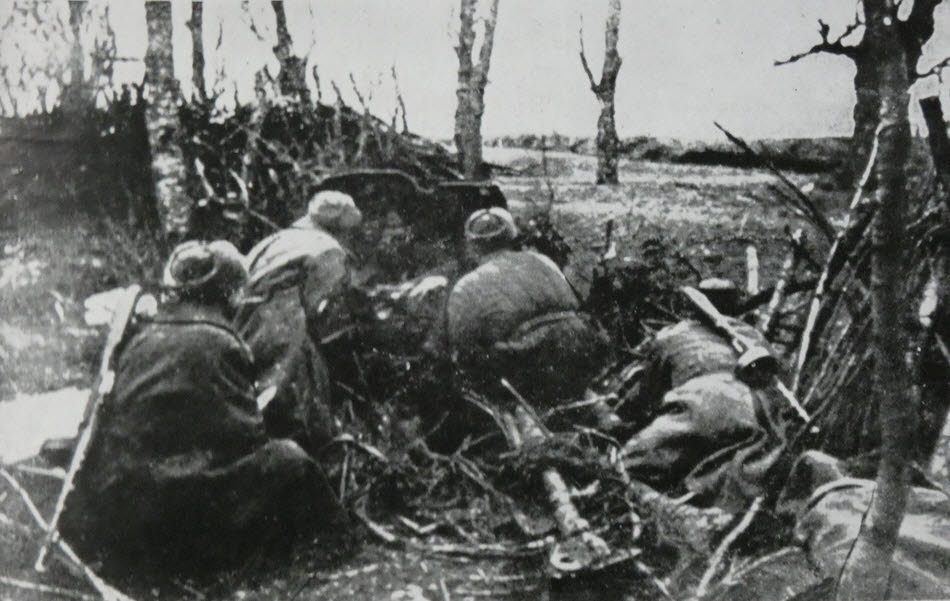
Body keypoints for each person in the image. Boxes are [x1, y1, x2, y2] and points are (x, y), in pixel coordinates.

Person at [60, 240, 347, 574]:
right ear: (227, 292)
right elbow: (243, 437)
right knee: (289, 459)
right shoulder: (221, 342)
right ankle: (337, 548)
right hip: (179, 500)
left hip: (128, 496)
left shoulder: (144, 335)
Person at [444, 208, 612, 411]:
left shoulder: (467, 285)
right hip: (583, 346)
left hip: (532, 363)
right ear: (512, 235)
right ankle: (597, 409)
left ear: (471, 245)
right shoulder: (542, 260)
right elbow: (574, 303)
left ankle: (517, 418)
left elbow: (462, 345)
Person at [235, 191, 363, 455]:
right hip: (288, 334)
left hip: (245, 331)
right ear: (341, 228)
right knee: (299, 418)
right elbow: (328, 322)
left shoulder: (272, 241)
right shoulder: (328, 249)